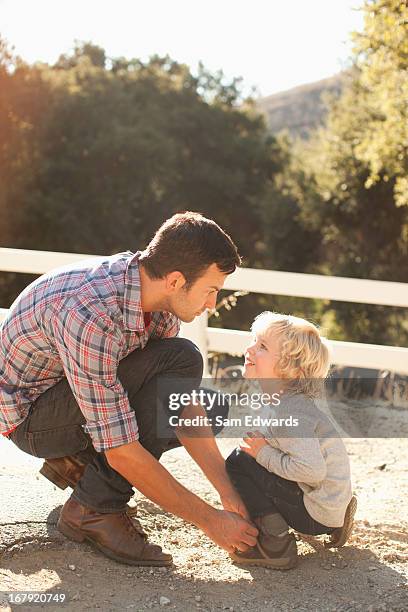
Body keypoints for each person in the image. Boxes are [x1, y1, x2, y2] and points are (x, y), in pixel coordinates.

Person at [0, 211, 258, 566]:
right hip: (31, 419)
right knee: (183, 360)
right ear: (176, 280)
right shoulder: (91, 311)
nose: (212, 304)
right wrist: (211, 522)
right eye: (210, 290)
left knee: (209, 407)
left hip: (75, 395)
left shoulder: (160, 298)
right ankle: (93, 510)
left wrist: (227, 490)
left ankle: (83, 466)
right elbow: (121, 447)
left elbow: (175, 402)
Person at [226, 311, 357, 569]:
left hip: (315, 513)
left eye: (262, 346)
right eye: (254, 340)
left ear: (291, 368)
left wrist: (262, 453)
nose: (250, 349)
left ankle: (275, 543)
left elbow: (312, 470)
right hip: (328, 503)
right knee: (252, 455)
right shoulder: (285, 403)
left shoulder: (289, 412)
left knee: (239, 461)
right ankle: (338, 515)